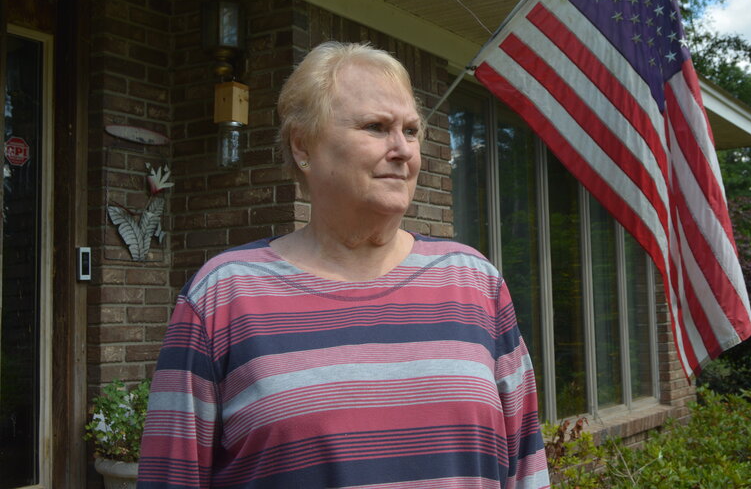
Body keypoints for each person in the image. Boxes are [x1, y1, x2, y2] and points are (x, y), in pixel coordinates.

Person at [137, 41, 550, 488]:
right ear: (303, 146)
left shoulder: (474, 282)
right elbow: (169, 477)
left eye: (411, 131)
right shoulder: (223, 296)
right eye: (376, 127)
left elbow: (527, 467)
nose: (403, 150)